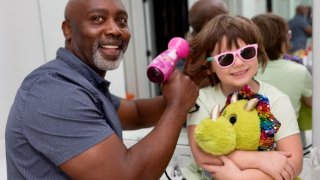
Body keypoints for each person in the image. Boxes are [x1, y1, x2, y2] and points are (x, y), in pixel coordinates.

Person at [5, 0, 199, 179]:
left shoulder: (84, 83)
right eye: (98, 19)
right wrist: (178, 107)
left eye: (122, 21)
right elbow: (127, 176)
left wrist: (195, 84)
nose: (115, 30)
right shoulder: (54, 92)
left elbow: (137, 114)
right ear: (68, 29)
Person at [183, 14, 303, 179]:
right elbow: (203, 157)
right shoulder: (201, 100)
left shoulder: (277, 100)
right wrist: (260, 160)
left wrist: (239, 177)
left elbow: (294, 164)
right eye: (225, 58)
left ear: (258, 52)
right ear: (209, 65)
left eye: (246, 52)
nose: (239, 63)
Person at [253, 13, 313, 148]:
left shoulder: (245, 72)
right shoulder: (299, 71)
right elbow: (312, 103)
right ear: (284, 41)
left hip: (253, 142)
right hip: (290, 141)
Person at [184, 0, 229, 88]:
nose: (229, 18)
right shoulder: (201, 50)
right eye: (224, 15)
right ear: (209, 21)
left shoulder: (188, 45)